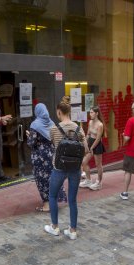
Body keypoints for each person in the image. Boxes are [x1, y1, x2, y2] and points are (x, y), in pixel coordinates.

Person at [44, 96, 89, 240]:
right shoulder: (78, 128)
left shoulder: (53, 129)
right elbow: (86, 149)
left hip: (59, 167)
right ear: (70, 112)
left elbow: (54, 146)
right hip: (75, 168)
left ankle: (55, 227)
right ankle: (73, 230)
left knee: (52, 195)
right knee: (72, 200)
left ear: (58, 112)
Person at [26, 103, 67, 212]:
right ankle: (54, 201)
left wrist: (29, 136)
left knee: (42, 180)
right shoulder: (52, 123)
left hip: (40, 156)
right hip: (51, 154)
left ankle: (46, 205)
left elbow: (31, 143)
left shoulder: (35, 125)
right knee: (52, 178)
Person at [79, 106, 106, 190]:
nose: (90, 114)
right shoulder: (90, 122)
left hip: (97, 145)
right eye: (90, 112)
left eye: (92, 112)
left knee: (98, 165)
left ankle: (99, 182)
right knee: (84, 161)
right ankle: (88, 180)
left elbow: (98, 139)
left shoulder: (100, 125)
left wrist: (92, 147)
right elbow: (88, 134)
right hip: (90, 143)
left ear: (97, 113)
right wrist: (85, 143)